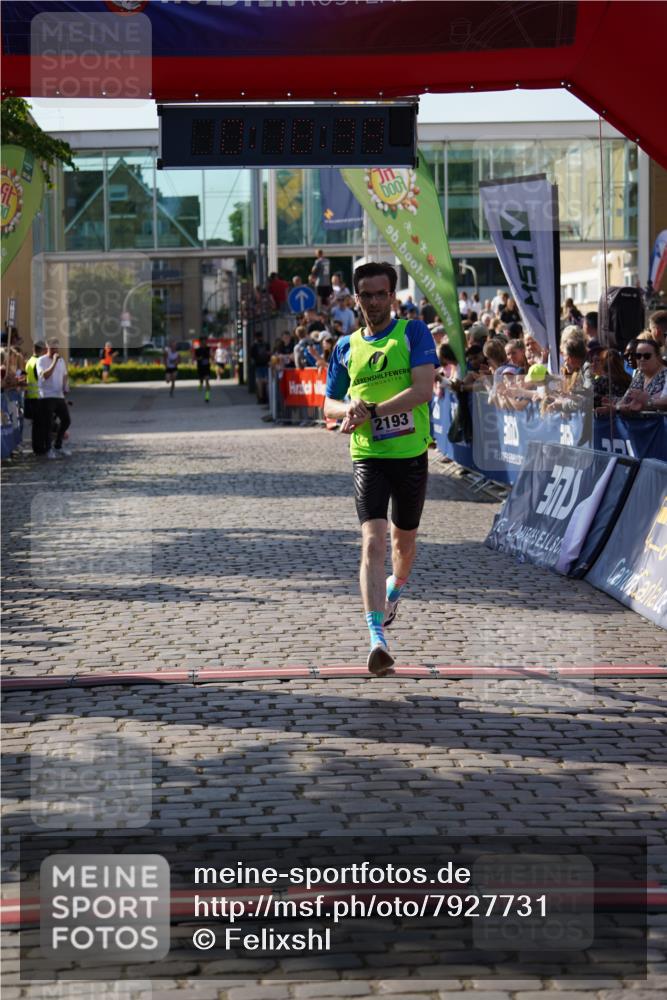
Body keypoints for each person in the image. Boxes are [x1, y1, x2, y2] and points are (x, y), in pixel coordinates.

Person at [323, 261, 437, 677]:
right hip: (367, 455)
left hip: (409, 455)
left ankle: (396, 588)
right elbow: (328, 405)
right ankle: (376, 639)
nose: (373, 301)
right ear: (355, 299)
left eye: (380, 294)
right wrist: (348, 408)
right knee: (372, 541)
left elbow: (423, 390)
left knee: (402, 549)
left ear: (392, 296)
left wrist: (371, 409)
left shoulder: (413, 333)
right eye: (366, 295)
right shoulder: (345, 347)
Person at [36, 339, 71, 458]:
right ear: (47, 348)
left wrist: (66, 386)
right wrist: (54, 362)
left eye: (57, 348)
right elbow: (44, 375)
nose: (55, 350)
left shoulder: (61, 361)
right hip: (46, 396)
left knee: (66, 420)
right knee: (48, 423)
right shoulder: (41, 360)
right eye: (52, 348)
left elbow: (65, 375)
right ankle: (48, 449)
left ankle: (58, 445)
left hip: (59, 395)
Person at [617, 339, 667, 412]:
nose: (642, 359)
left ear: (658, 357)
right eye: (638, 356)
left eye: (647, 356)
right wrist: (616, 407)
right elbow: (624, 400)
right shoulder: (639, 374)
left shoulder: (665, 374)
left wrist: (648, 401)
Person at [24, 340, 47, 454]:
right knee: (40, 425)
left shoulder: (29, 361)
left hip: (32, 396)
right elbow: (41, 379)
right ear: (42, 350)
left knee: (36, 425)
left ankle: (37, 447)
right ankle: (39, 448)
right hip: (38, 397)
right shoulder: (38, 362)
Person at [250, 331, 271, 404]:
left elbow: (252, 358)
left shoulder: (254, 346)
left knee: (259, 383)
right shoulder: (266, 344)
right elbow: (269, 354)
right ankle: (267, 398)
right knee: (267, 382)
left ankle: (261, 398)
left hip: (258, 366)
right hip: (265, 365)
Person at [193, 335, 212, 402]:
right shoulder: (197, 350)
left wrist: (210, 356)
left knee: (207, 380)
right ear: (200, 342)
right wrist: (199, 358)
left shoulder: (208, 348)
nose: (204, 343)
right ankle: (201, 384)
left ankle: (207, 396)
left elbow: (211, 355)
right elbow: (194, 358)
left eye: (205, 341)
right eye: (203, 341)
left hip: (207, 367)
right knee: (201, 380)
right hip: (200, 367)